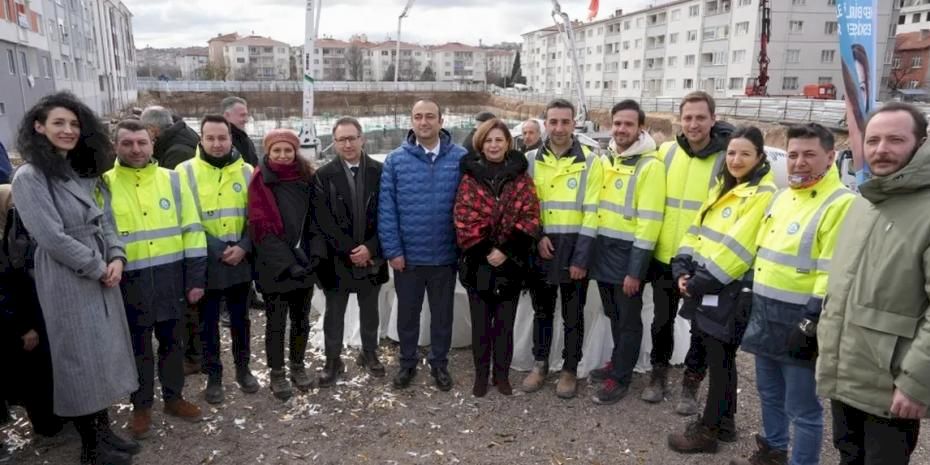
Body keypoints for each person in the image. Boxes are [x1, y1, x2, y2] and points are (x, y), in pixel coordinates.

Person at [11, 91, 139, 465]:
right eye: (58, 123)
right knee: (79, 359)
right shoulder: (30, 177)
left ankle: (104, 432)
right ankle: (91, 447)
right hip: (68, 275)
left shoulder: (84, 171)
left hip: (101, 269)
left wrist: (116, 256)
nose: (68, 130)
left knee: (102, 353)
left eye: (73, 124)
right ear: (39, 127)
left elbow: (108, 220)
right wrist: (98, 267)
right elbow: (51, 238)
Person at [731, 123, 855, 465]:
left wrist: (813, 319)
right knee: (768, 392)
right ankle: (774, 449)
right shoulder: (784, 197)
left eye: (809, 155)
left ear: (830, 158)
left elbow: (832, 270)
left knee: (803, 407)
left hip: (801, 319)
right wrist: (746, 289)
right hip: (766, 311)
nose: (799, 163)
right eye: (794, 155)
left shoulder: (840, 203)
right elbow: (763, 249)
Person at [817, 102, 930, 465]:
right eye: (874, 140)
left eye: (895, 140)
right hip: (848, 372)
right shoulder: (864, 203)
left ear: (920, 143)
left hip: (891, 385)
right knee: (848, 455)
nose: (881, 149)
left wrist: (915, 382)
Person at [666, 126, 776, 454]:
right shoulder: (723, 187)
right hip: (705, 284)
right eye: (731, 153)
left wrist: (697, 283)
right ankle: (724, 424)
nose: (736, 159)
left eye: (745, 153)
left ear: (759, 157)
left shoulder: (762, 194)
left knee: (720, 359)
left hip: (728, 290)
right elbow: (695, 229)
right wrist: (681, 267)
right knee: (719, 360)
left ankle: (709, 431)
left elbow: (738, 249)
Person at [102, 120, 206, 438]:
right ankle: (142, 406)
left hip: (170, 277)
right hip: (128, 280)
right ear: (115, 146)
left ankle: (174, 398)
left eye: (142, 143)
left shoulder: (172, 181)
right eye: (127, 143)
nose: (136, 149)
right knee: (138, 347)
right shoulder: (103, 184)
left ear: (152, 143)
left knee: (174, 343)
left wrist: (196, 277)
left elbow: (192, 229)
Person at [646, 91, 734, 415]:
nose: (694, 124)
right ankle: (658, 375)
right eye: (688, 117)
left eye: (700, 117)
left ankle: (691, 385)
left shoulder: (725, 157)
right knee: (661, 320)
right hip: (665, 255)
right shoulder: (667, 152)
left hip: (703, 259)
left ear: (713, 118)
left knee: (700, 326)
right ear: (679, 120)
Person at [379, 99, 468, 391]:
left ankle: (439, 364)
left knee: (442, 317)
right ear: (411, 121)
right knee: (408, 315)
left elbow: (469, 206)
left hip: (445, 255)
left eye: (430, 116)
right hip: (410, 258)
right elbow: (387, 209)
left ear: (441, 120)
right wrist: (393, 251)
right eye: (418, 116)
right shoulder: (395, 160)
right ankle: (407, 363)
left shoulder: (460, 157)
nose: (424, 122)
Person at [520, 98, 602, 399]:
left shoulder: (592, 162)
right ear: (545, 123)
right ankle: (540, 363)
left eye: (565, 122)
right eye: (553, 122)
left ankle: (569, 369)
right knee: (542, 311)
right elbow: (526, 206)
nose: (558, 128)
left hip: (574, 247)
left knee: (573, 314)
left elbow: (592, 212)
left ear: (574, 123)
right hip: (543, 246)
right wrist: (538, 236)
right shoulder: (530, 160)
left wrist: (582, 257)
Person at [454, 118, 540, 397]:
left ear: (507, 143)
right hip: (478, 263)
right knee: (481, 326)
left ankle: (501, 375)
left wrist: (505, 250)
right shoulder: (470, 177)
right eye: (489, 140)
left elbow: (529, 217)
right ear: (481, 143)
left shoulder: (521, 178)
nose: (493, 145)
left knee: (504, 325)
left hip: (511, 264)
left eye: (499, 140)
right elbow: (463, 218)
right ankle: (481, 375)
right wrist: (487, 250)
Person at [587, 100, 666, 405]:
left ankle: (620, 378)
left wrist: (636, 269)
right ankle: (618, 362)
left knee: (628, 319)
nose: (621, 129)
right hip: (604, 252)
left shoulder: (650, 167)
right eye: (617, 123)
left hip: (628, 257)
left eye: (628, 124)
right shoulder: (607, 159)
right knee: (613, 315)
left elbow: (649, 223)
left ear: (640, 128)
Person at [177, 114, 258, 405]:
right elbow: (186, 218)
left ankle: (243, 370)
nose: (217, 143)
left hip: (240, 260)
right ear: (201, 139)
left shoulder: (248, 171)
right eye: (210, 138)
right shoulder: (183, 172)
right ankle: (214, 376)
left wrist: (244, 246)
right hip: (206, 262)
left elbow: (256, 217)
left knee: (241, 320)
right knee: (207, 324)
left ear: (231, 139)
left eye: (222, 138)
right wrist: (216, 249)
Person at [313, 118, 388, 386]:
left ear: (362, 138)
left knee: (370, 309)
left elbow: (388, 215)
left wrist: (370, 247)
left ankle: (369, 353)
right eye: (341, 139)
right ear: (333, 142)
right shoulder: (323, 176)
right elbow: (322, 220)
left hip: (372, 255)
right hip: (337, 259)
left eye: (352, 138)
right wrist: (349, 250)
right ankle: (333, 360)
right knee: (335, 312)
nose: (347, 144)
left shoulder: (380, 171)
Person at [247, 129, 316, 401]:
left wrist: (310, 256)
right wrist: (288, 263)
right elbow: (260, 226)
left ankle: (297, 365)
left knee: (301, 319)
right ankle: (277, 372)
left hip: (304, 259)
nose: (283, 155)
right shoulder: (260, 179)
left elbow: (314, 218)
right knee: (276, 321)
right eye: (277, 150)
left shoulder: (306, 178)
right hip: (274, 265)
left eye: (288, 150)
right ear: (268, 152)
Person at [139, 106, 204, 375]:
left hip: (179, 242)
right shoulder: (182, 137)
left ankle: (193, 356)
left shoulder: (175, 152)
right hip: (176, 243)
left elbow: (171, 198)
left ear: (153, 131)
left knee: (189, 307)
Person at [0, 184, 63, 440]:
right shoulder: (6, 242)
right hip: (18, 325)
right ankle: (46, 426)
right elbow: (8, 290)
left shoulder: (13, 233)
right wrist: (25, 327)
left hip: (29, 318)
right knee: (32, 378)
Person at [140, 106, 199, 170]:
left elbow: (168, 178)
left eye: (145, 129)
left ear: (152, 129)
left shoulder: (178, 153)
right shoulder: (179, 134)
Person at [222, 96, 259, 166]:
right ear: (226, 115)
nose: (246, 120)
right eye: (242, 115)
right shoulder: (220, 142)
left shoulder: (245, 139)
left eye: (246, 115)